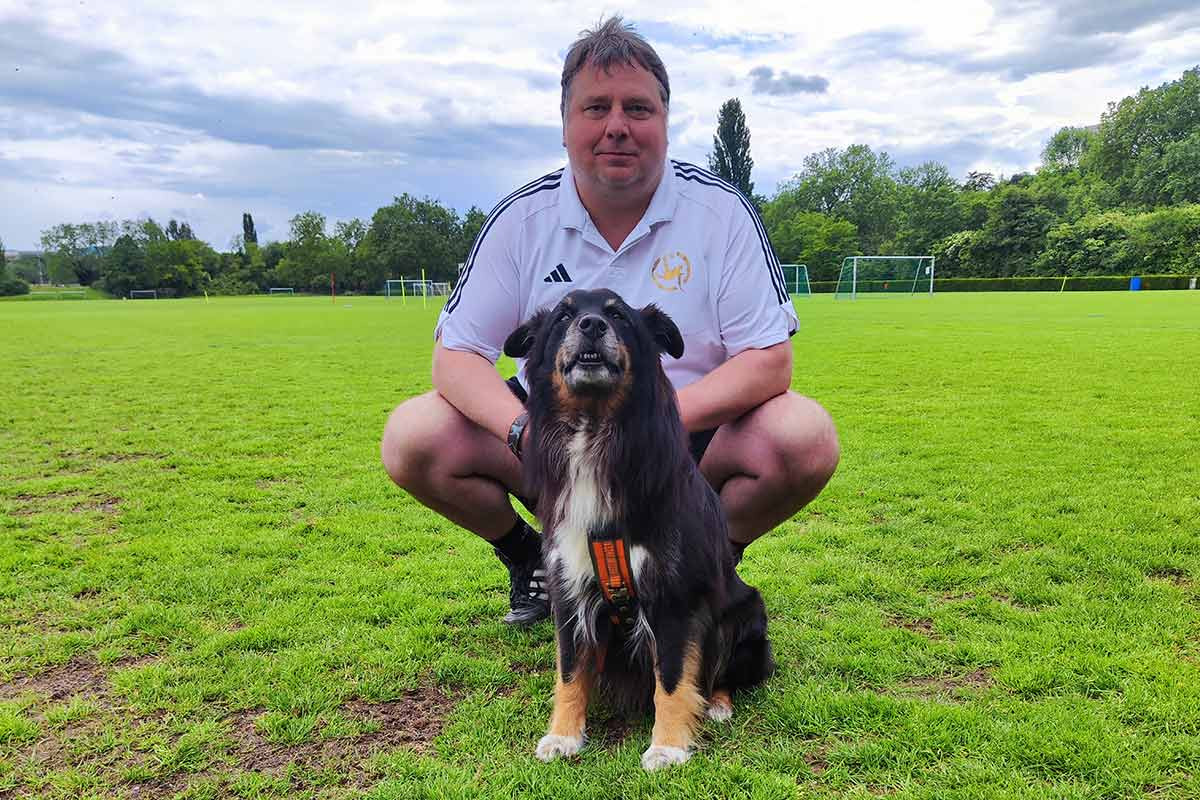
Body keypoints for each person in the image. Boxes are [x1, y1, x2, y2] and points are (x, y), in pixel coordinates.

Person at [381, 16, 839, 626]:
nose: (617, 127)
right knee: (414, 435)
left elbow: (768, 359)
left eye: (638, 109)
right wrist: (524, 431)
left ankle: (701, 569)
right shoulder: (521, 218)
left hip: (683, 432)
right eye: (596, 107)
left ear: (665, 123)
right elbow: (456, 357)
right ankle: (533, 563)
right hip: (556, 433)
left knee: (803, 436)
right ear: (566, 124)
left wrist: (661, 420)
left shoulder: (721, 213)